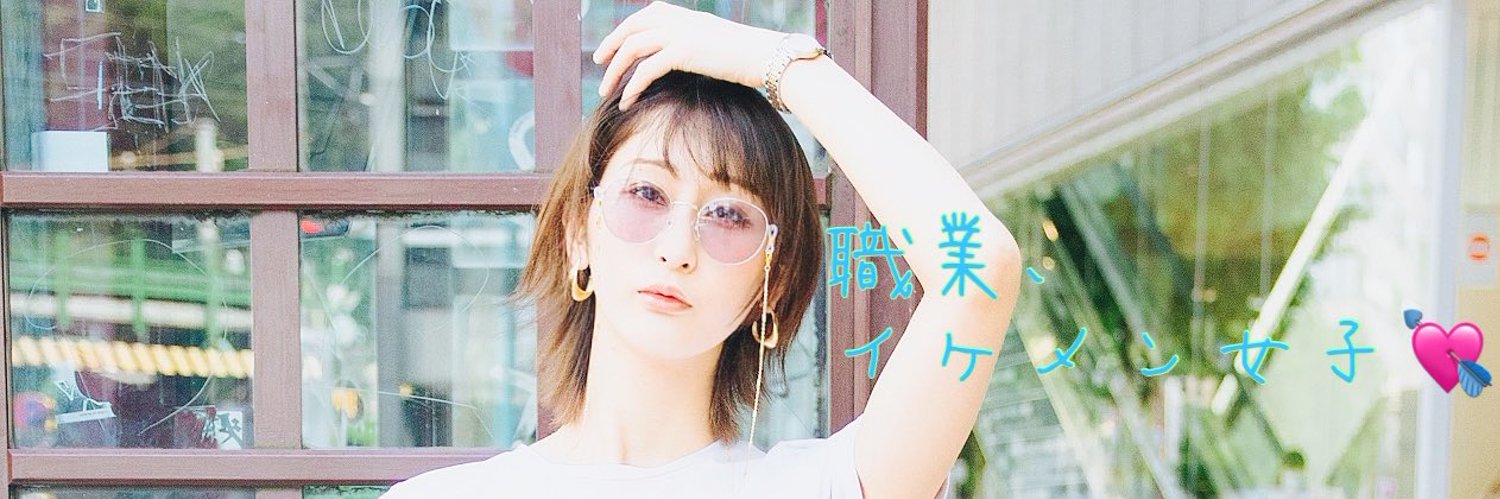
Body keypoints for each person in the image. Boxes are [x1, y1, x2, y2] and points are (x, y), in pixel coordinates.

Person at [383, 2, 1020, 497]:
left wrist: (777, 62)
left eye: (728, 215)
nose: (677, 249)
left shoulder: (820, 487)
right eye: (646, 194)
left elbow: (981, 272)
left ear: (773, 280)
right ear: (580, 233)